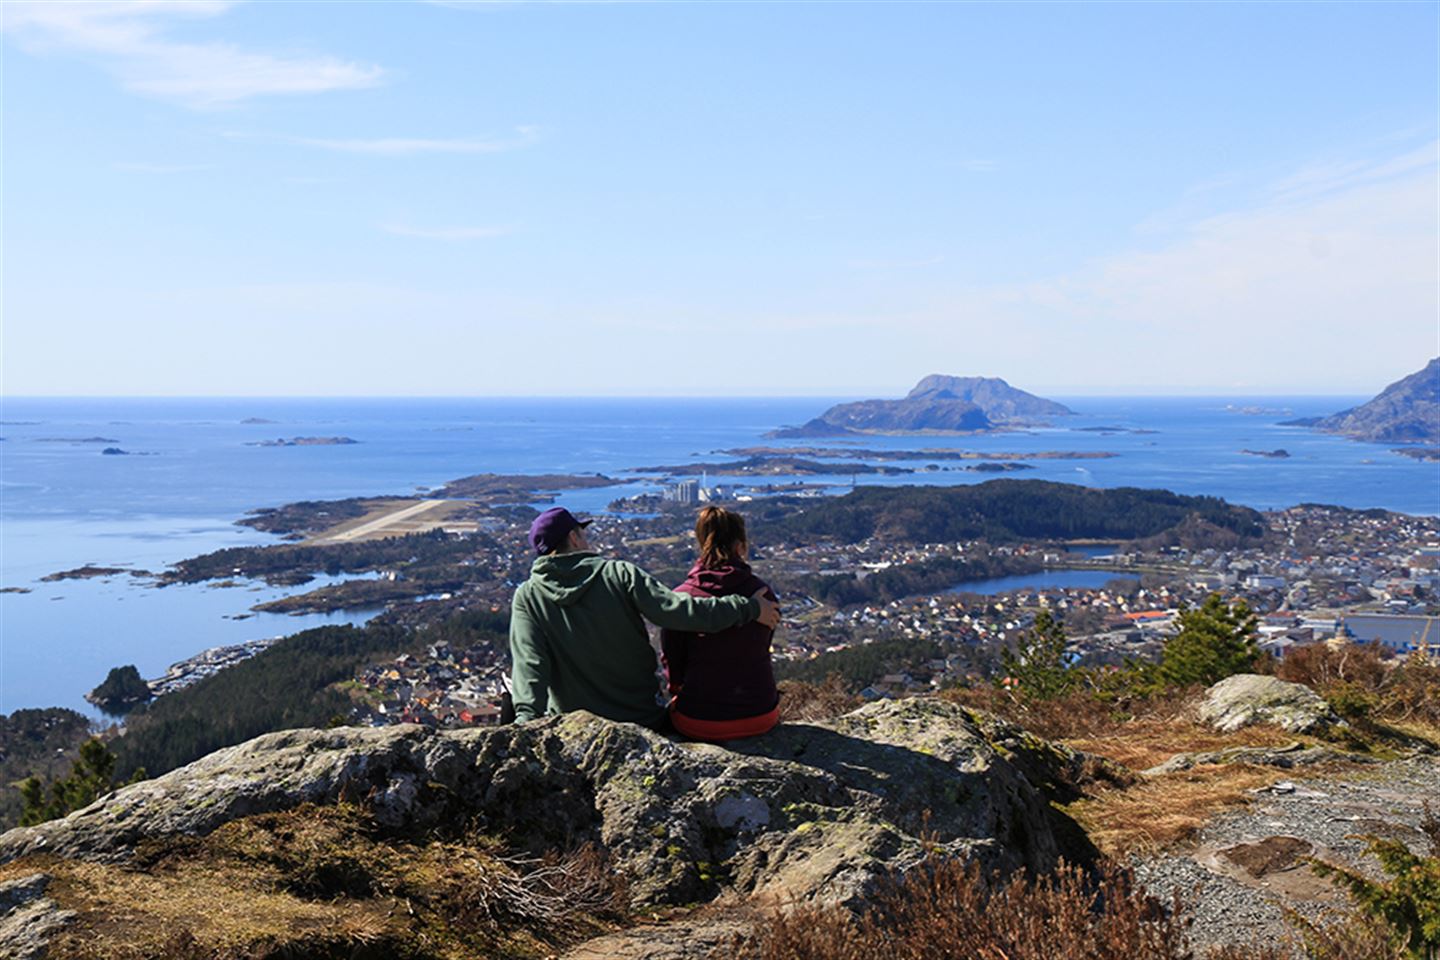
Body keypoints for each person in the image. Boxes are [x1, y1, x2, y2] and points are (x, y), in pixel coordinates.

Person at [509, 506, 781, 727]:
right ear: (573, 538)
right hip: (640, 717)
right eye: (583, 532)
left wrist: (525, 721)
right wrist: (748, 608)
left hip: (577, 724)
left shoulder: (527, 597)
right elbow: (679, 611)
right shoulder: (618, 573)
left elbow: (530, 663)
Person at [660, 506, 780, 741]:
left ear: (700, 543)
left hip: (699, 719)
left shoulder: (682, 599)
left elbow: (673, 663)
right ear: (741, 546)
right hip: (761, 713)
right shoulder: (763, 595)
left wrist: (678, 690)